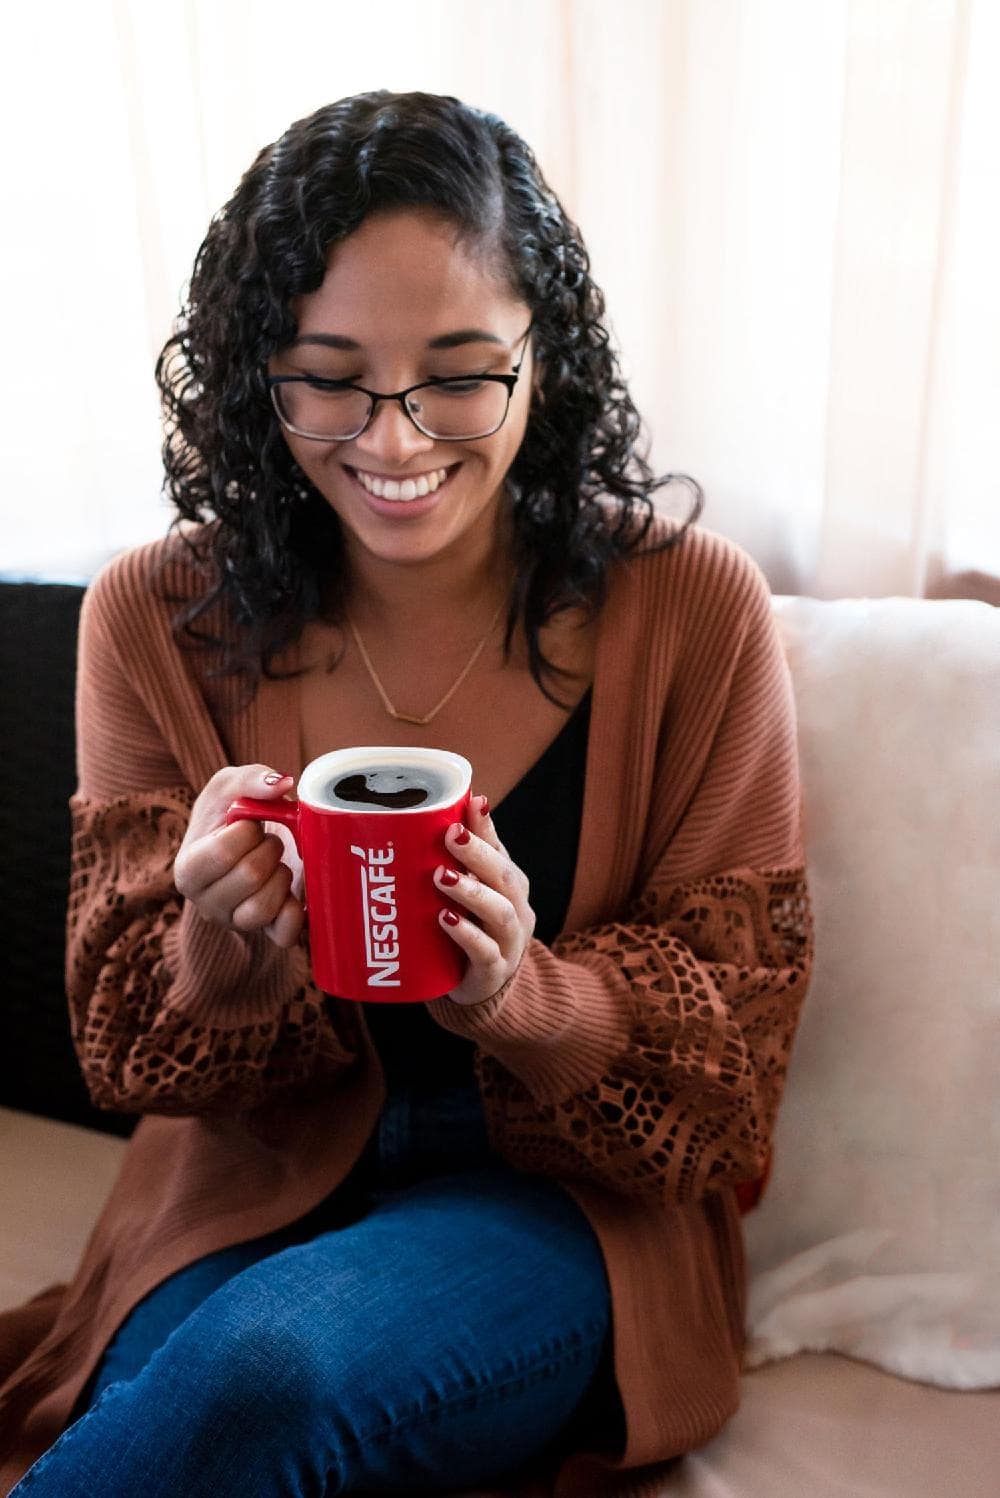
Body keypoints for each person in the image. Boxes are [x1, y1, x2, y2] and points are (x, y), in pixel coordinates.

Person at [0, 91, 814, 1497]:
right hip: (245, 1184)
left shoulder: (692, 609)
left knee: (265, 1380)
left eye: (458, 371)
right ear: (257, 373)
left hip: (561, 1210)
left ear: (542, 357)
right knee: (192, 1404)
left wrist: (522, 996)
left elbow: (730, 1076)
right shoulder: (153, 614)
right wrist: (221, 945)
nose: (395, 437)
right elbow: (122, 1042)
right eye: (330, 374)